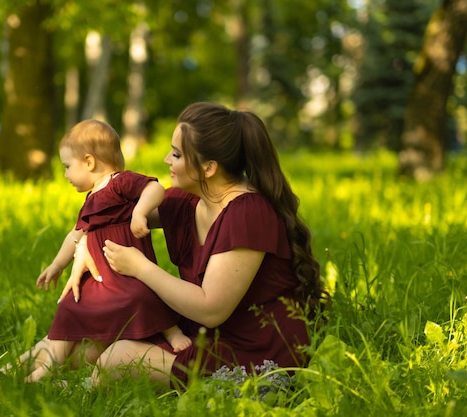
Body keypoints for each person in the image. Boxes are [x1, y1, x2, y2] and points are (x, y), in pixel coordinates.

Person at [77, 102, 327, 389]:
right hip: (205, 334)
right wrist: (81, 245)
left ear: (208, 168)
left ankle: (79, 390)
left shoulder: (248, 212)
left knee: (118, 360)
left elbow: (211, 308)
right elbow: (110, 217)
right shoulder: (190, 200)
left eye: (177, 154)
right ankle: (20, 372)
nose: (165, 159)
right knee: (89, 342)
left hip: (256, 353)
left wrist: (140, 268)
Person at [1, 119, 191, 383]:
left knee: (142, 295)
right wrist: (58, 265)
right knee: (69, 305)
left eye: (68, 166)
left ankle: (172, 334)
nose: (66, 175)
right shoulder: (90, 199)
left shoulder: (119, 182)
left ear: (89, 162)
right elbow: (75, 235)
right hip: (104, 276)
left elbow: (154, 188)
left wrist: (139, 212)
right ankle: (48, 366)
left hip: (129, 272)